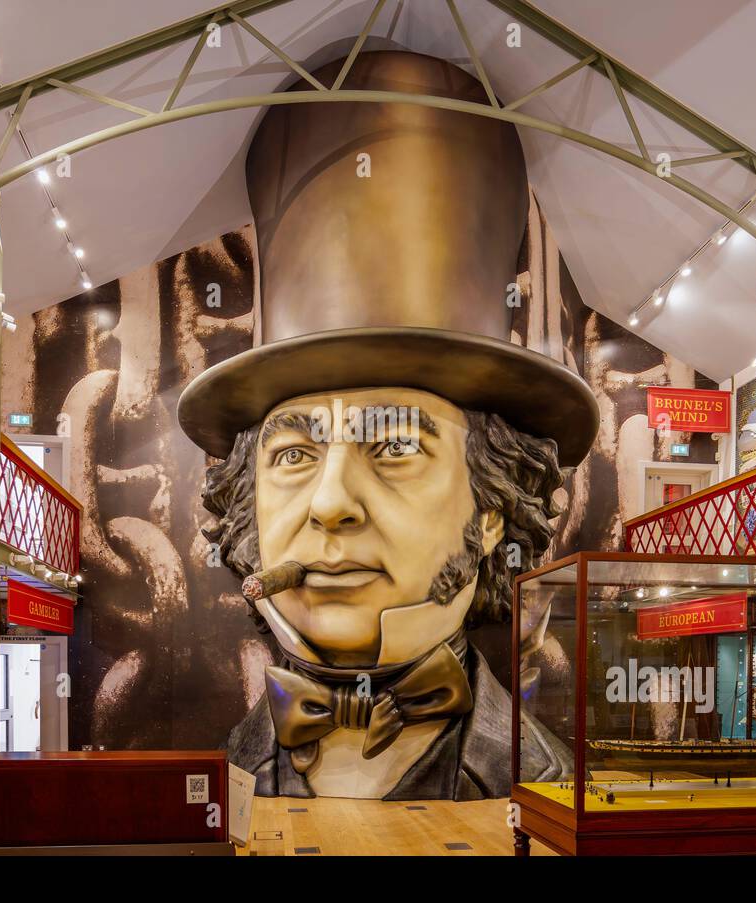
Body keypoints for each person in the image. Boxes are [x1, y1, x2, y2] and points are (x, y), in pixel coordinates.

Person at [177, 52, 598, 800]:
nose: (330, 502)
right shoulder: (213, 789)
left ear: (493, 509)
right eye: (296, 455)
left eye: (397, 446)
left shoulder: (549, 792)